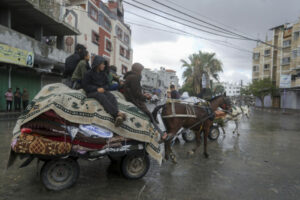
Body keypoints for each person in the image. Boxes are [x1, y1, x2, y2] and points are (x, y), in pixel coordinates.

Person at [123, 63, 168, 140]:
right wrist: (146, 97)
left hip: (131, 98)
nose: (141, 72)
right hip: (134, 100)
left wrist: (143, 94)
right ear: (138, 70)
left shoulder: (129, 76)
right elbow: (136, 93)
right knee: (149, 114)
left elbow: (135, 91)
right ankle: (160, 133)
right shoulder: (135, 77)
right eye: (141, 70)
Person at [82, 56, 126, 127]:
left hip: (101, 90)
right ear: (98, 64)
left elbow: (107, 85)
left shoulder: (104, 74)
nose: (104, 65)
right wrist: (97, 89)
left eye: (104, 64)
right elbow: (85, 86)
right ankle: (117, 113)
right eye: (102, 64)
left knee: (111, 96)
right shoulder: (88, 73)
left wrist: (103, 88)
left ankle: (117, 117)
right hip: (91, 92)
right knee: (101, 96)